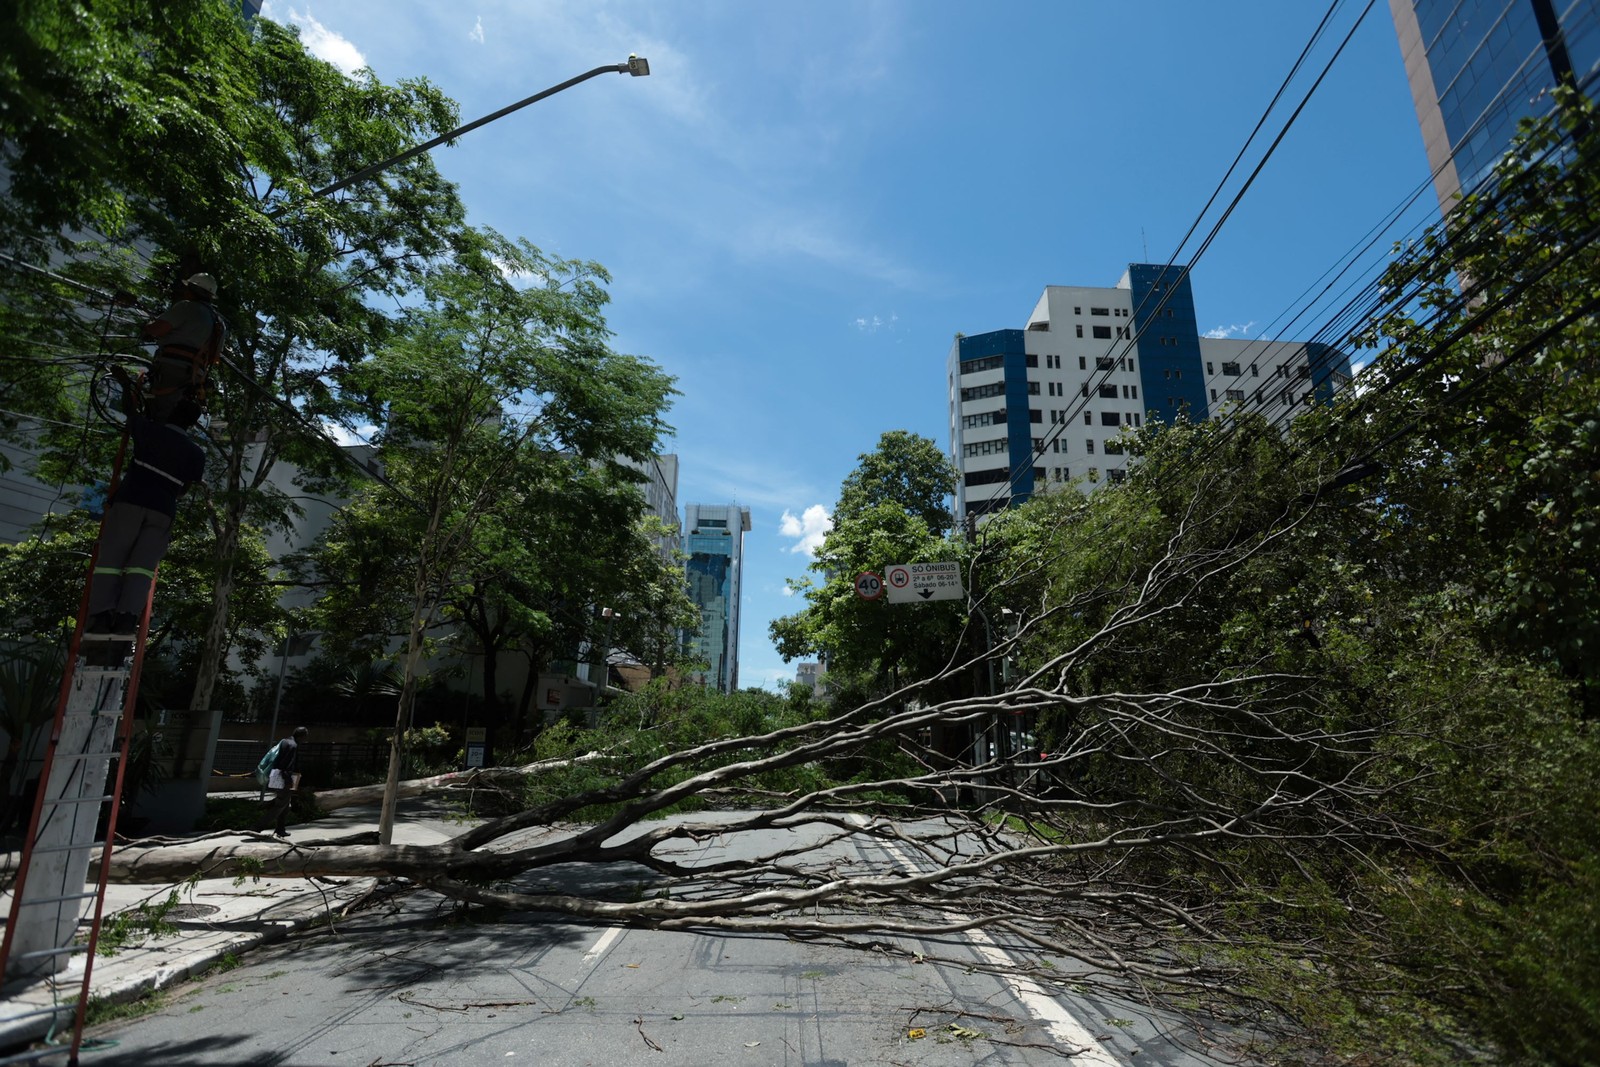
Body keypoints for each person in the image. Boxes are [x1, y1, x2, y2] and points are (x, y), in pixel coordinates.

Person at [85, 367, 206, 634]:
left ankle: (102, 615)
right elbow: (185, 489)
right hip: (163, 510)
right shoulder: (196, 454)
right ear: (192, 424)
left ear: (172, 414)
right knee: (141, 568)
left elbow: (131, 412)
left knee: (112, 560)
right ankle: (128, 617)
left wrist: (127, 384)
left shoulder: (149, 430)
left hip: (131, 501)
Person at [141, 273, 226, 423]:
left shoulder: (186, 307)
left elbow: (157, 330)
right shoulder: (219, 323)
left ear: (192, 290)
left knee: (156, 413)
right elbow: (215, 358)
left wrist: (146, 327)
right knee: (173, 416)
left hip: (171, 369)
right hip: (195, 378)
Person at [256, 726, 308, 839]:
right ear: (302, 736)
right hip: (284, 779)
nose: (305, 740)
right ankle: (256, 828)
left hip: (276, 775)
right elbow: (288, 765)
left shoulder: (285, 741)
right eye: (305, 737)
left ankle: (280, 829)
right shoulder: (293, 746)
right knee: (280, 805)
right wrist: (289, 781)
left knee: (285, 805)